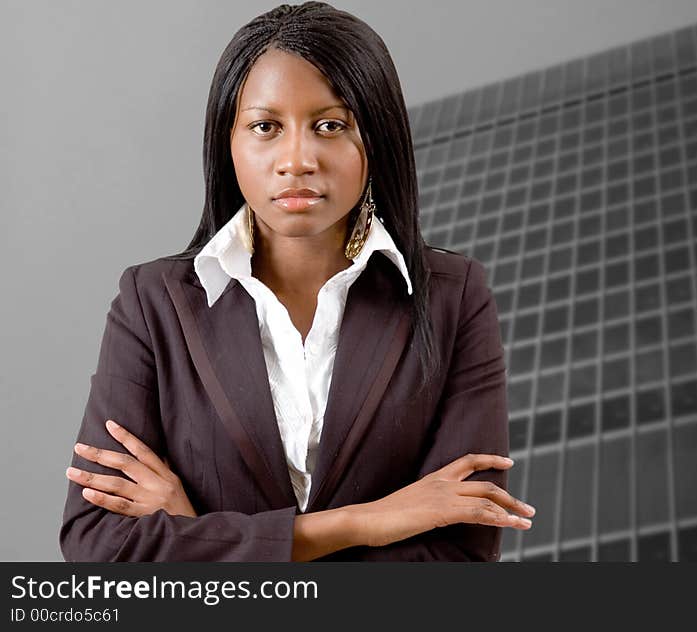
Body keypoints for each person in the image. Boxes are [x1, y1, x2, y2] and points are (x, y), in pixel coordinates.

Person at [59, 1, 534, 562]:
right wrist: (369, 521)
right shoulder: (151, 305)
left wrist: (203, 535)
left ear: (377, 138)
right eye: (266, 127)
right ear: (228, 143)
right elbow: (99, 551)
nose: (297, 160)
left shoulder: (453, 298)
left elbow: (458, 557)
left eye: (330, 125)